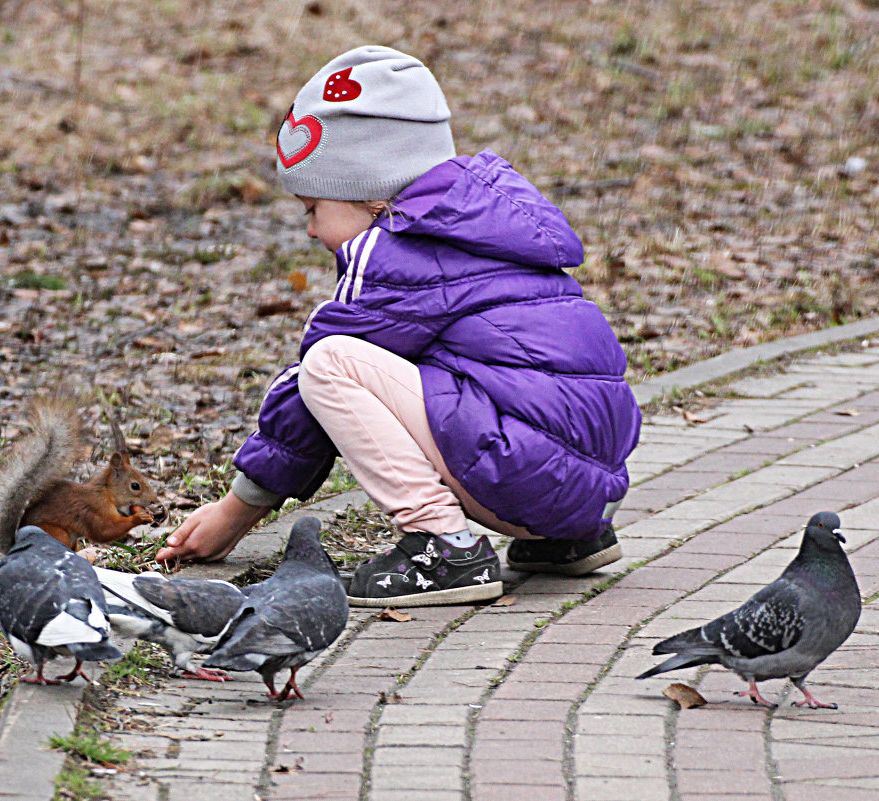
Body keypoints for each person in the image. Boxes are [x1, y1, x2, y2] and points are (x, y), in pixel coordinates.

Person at [156, 45, 641, 607]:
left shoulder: (394, 253)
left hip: (529, 480)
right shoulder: (486, 227)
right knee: (459, 367)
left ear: (371, 198)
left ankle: (440, 545)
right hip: (591, 493)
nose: (310, 229)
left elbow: (306, 389)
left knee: (332, 363)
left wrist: (237, 509)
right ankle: (570, 541)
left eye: (313, 207)